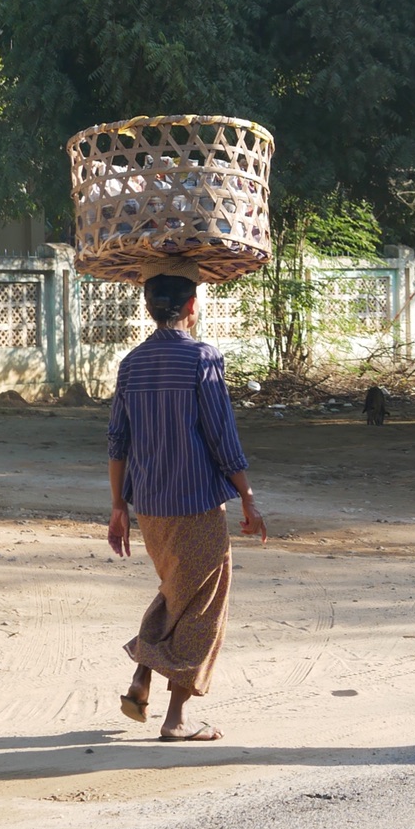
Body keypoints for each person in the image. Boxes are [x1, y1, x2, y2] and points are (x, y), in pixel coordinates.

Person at [106, 271, 266, 741]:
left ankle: (142, 675)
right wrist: (247, 496)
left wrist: (118, 506)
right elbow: (222, 436)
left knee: (178, 591)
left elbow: (117, 441)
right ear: (192, 306)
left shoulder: (131, 363)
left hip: (150, 505)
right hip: (196, 503)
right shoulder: (202, 357)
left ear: (148, 308)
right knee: (203, 605)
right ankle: (176, 718)